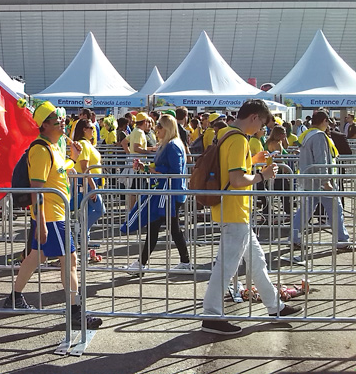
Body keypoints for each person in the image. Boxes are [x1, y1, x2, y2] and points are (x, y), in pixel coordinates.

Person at [201, 99, 302, 335]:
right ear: (254, 117)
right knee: (227, 266)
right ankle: (211, 315)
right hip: (236, 211)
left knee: (256, 261)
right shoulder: (238, 139)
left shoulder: (225, 134)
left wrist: (252, 162)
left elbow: (232, 171)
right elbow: (237, 180)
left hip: (234, 211)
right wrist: (262, 175)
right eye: (262, 124)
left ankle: (274, 305)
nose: (261, 130)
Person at [3, 101, 102, 330]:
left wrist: (74, 158)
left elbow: (59, 171)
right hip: (52, 218)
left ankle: (14, 297)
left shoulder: (54, 147)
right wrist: (42, 223)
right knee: (70, 262)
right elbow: (38, 187)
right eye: (58, 119)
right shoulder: (40, 150)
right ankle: (76, 312)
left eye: (63, 118)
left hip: (55, 216)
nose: (63, 122)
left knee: (36, 257)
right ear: (45, 125)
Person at [123, 114, 191, 272]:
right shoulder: (169, 144)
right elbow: (167, 169)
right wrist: (147, 168)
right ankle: (184, 261)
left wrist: (150, 169)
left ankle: (142, 263)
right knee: (169, 228)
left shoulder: (172, 145)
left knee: (159, 226)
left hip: (169, 194)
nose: (155, 128)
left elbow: (174, 172)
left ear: (167, 128)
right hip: (168, 193)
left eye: (159, 125)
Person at [292, 111, 352, 250]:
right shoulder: (319, 136)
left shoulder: (307, 135)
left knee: (305, 211)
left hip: (310, 180)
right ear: (324, 121)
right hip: (322, 183)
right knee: (336, 210)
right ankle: (342, 239)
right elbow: (321, 160)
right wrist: (326, 181)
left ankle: (294, 237)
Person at [71, 118, 105, 247]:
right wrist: (93, 185)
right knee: (99, 210)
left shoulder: (87, 143)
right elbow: (85, 167)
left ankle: (84, 238)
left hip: (90, 181)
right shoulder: (83, 144)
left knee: (90, 210)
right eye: (91, 128)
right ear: (85, 130)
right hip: (86, 182)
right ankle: (79, 233)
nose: (94, 130)